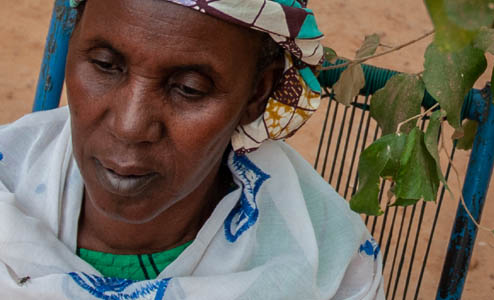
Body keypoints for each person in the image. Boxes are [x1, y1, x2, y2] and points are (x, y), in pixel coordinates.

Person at [0, 0, 384, 298]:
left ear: (257, 93)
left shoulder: (325, 265)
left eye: (189, 88)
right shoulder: (7, 188)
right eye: (104, 64)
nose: (131, 127)